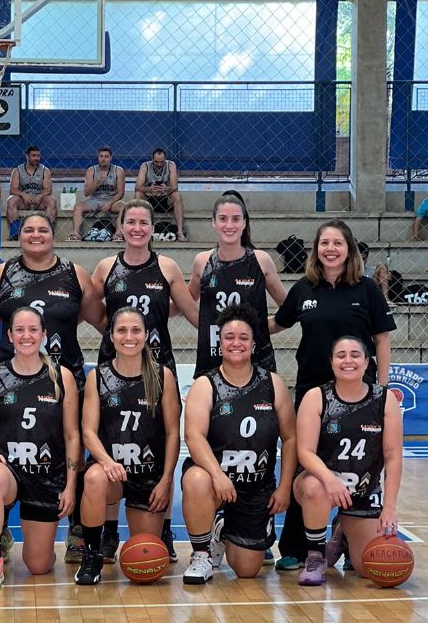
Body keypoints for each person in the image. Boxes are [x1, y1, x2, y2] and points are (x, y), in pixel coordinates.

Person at [0, 211, 105, 562]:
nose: (36, 235)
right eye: (29, 229)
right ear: (19, 235)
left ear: (54, 234)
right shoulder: (2, 274)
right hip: (12, 378)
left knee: (71, 446)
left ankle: (78, 529)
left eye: (43, 229)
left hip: (65, 377)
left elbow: (100, 318)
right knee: (7, 448)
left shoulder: (74, 274)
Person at [269, 220, 397, 570]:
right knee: (305, 463)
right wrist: (235, 327)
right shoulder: (304, 289)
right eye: (324, 243)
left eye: (337, 243)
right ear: (316, 249)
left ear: (349, 249)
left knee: (360, 463)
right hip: (314, 391)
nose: (330, 249)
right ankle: (296, 545)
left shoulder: (367, 289)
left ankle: (348, 529)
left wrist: (381, 388)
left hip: (360, 394)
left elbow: (382, 340)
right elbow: (277, 324)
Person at [91, 199, 200, 558]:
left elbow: (190, 312)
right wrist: (118, 334)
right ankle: (107, 532)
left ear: (153, 228)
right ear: (120, 227)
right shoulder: (106, 267)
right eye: (131, 222)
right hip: (115, 367)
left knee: (155, 444)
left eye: (144, 223)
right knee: (111, 442)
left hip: (156, 370)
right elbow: (94, 312)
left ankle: (164, 528)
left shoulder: (166, 266)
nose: (137, 229)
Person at [182, 304, 296, 584]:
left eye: (243, 337)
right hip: (216, 480)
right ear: (219, 344)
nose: (236, 343)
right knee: (196, 479)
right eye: (229, 337)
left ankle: (221, 531)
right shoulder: (205, 384)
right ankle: (201, 554)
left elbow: (291, 438)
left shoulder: (272, 384)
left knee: (247, 570)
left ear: (254, 343)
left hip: (256, 486)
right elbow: (193, 436)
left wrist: (284, 487)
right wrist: (218, 476)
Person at [0, 306, 80, 588]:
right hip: (9, 472)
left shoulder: (61, 376)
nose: (26, 336)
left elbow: (72, 435)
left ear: (44, 335)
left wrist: (70, 486)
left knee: (38, 566)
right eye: (19, 330)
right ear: (9, 335)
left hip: (46, 476)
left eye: (33, 330)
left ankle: (8, 536)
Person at [77, 307, 180, 584]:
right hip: (113, 473)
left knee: (144, 557)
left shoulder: (162, 377)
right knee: (94, 477)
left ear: (147, 335)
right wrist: (107, 462)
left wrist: (166, 480)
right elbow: (88, 431)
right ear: (111, 337)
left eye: (136, 330)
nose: (129, 336)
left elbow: (172, 433)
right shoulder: (97, 377)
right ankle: (91, 554)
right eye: (121, 330)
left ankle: (150, 531)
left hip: (148, 476)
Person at [293, 336, 403, 587]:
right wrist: (330, 480)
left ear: (367, 362)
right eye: (341, 355)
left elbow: (393, 456)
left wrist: (389, 507)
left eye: (355, 354)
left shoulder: (384, 400)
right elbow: (305, 453)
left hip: (363, 490)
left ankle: (342, 533)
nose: (348, 360)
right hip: (320, 482)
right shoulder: (317, 396)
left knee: (373, 566)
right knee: (315, 487)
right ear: (331, 362)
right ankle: (315, 556)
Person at [189, 190, 286, 377]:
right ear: (214, 222)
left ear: (244, 223)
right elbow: (186, 302)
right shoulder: (202, 261)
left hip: (255, 357)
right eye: (223, 219)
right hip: (213, 356)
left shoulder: (261, 260)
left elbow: (288, 308)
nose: (229, 225)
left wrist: (264, 328)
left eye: (235, 219)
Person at [69, 146, 126, 241]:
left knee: (123, 206)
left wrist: (110, 203)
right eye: (101, 156)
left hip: (111, 200)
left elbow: (121, 193)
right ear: (98, 157)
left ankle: (118, 233)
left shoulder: (119, 171)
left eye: (106, 156)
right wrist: (97, 183)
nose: (103, 159)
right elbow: (86, 193)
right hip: (95, 200)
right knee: (78, 206)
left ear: (111, 158)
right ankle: (75, 234)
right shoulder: (91, 170)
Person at [132, 146, 185, 239]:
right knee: (138, 195)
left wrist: (166, 189)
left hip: (166, 199)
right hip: (150, 200)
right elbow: (137, 187)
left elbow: (175, 187)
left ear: (165, 159)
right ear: (152, 159)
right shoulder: (145, 166)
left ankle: (180, 231)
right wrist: (149, 189)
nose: (159, 164)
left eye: (162, 162)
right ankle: (138, 229)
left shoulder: (170, 165)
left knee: (177, 195)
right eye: (156, 162)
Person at [6, 145, 56, 237]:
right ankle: (15, 233)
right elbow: (12, 190)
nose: (36, 158)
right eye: (33, 156)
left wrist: (40, 196)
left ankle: (49, 231)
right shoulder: (17, 170)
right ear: (27, 156)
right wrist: (23, 195)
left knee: (51, 201)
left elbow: (48, 190)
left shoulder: (45, 170)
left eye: (38, 156)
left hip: (40, 201)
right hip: (23, 201)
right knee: (11, 200)